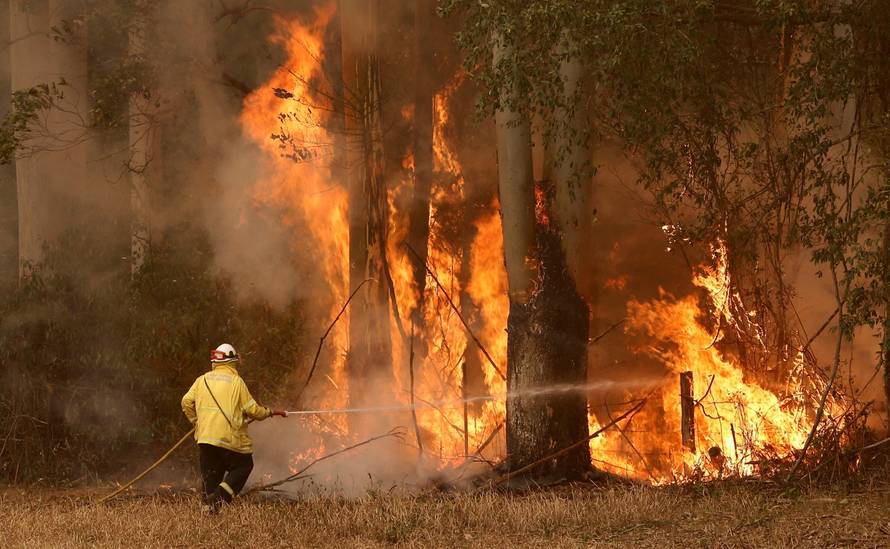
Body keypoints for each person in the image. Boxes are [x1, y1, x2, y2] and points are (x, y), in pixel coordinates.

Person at [181, 343, 286, 511]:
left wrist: (196, 422)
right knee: (244, 466)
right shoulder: (237, 382)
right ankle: (220, 498)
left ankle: (209, 509)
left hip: (206, 438)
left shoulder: (202, 380)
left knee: (212, 476)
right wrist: (269, 412)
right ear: (232, 361)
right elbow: (253, 410)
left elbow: (186, 401)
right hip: (228, 439)